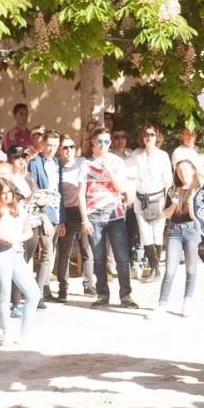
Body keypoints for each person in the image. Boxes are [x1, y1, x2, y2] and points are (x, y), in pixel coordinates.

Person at [79, 128, 138, 309]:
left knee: (121, 257)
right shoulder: (85, 165)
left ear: (110, 144)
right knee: (99, 259)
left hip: (115, 216)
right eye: (99, 141)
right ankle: (102, 294)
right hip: (94, 216)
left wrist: (108, 169)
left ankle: (126, 295)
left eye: (106, 142)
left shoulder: (117, 162)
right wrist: (84, 219)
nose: (102, 145)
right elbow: (81, 194)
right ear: (93, 143)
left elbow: (120, 188)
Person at [0, 178, 41, 344]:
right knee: (4, 293)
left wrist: (17, 239)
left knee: (33, 293)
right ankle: (6, 332)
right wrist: (16, 239)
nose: (8, 196)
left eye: (9, 192)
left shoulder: (18, 209)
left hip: (16, 251)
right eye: (4, 193)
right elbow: (0, 237)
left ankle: (25, 332)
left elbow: (28, 231)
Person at [149, 160, 202, 318]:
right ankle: (162, 304)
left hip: (192, 231)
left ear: (193, 170)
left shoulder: (199, 190)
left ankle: (187, 303)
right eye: (179, 171)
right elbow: (166, 214)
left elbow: (196, 217)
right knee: (170, 270)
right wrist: (174, 204)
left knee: (191, 270)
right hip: (174, 231)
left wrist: (191, 203)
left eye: (185, 170)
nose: (183, 173)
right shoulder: (173, 189)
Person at [127, 125, 173, 282]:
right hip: (141, 199)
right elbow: (127, 174)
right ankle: (154, 269)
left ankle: (155, 269)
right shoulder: (136, 155)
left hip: (158, 199)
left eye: (152, 134)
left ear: (157, 137)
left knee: (157, 233)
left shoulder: (163, 156)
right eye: (146, 134)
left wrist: (167, 203)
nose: (149, 137)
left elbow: (168, 182)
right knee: (145, 235)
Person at [54, 135, 95, 299]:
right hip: (66, 212)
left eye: (71, 146)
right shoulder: (57, 168)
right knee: (64, 252)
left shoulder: (82, 163)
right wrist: (61, 219)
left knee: (87, 250)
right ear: (60, 150)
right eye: (65, 147)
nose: (68, 150)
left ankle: (89, 285)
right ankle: (63, 288)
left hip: (83, 210)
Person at [27, 130, 63, 300]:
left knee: (51, 253)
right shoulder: (34, 163)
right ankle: (38, 293)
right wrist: (43, 216)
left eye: (55, 146)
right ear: (42, 144)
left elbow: (59, 191)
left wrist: (61, 218)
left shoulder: (56, 163)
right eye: (49, 145)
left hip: (55, 212)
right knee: (46, 253)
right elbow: (34, 191)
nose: (52, 149)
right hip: (41, 213)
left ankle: (45, 289)